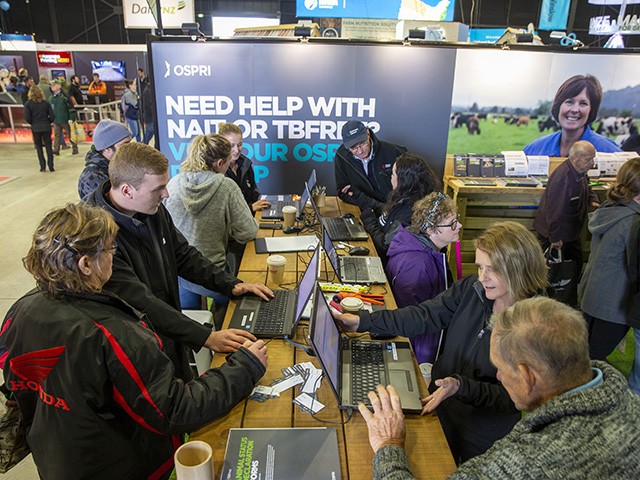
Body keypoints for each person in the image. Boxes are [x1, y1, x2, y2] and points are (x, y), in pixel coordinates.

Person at [0, 202, 268, 480]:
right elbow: (173, 410)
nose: (114, 256)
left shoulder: (19, 311)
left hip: (57, 459)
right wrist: (245, 367)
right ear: (86, 264)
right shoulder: (114, 334)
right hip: (119, 466)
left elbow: (17, 384)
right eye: (110, 249)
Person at [335, 221, 548, 463]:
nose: (483, 277)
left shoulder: (536, 323)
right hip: (438, 404)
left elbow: (515, 400)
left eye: (493, 269)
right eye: (480, 266)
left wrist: (460, 387)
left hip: (479, 432)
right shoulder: (473, 288)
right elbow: (424, 315)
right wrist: (362, 322)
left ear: (518, 269)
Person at [359, 297, 640, 479]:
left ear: (526, 376)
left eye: (498, 368)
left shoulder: (530, 459)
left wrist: (389, 445)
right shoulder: (631, 407)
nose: (498, 377)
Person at [84, 142, 273, 382]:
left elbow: (182, 254)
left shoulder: (151, 209)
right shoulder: (96, 236)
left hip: (169, 333)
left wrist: (230, 284)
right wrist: (207, 338)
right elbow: (142, 303)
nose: (166, 194)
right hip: (134, 351)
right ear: (127, 190)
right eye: (158, 189)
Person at [165, 134, 259, 310]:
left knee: (192, 321)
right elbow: (248, 232)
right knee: (231, 313)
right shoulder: (226, 186)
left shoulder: (173, 183)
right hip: (215, 275)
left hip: (180, 274)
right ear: (219, 164)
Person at [386, 192, 461, 364]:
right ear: (430, 230)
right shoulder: (417, 265)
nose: (459, 226)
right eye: (452, 224)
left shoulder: (425, 251)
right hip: (421, 350)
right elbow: (412, 320)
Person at [579, 157, 640, 360]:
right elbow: (636, 269)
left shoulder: (608, 209)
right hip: (614, 305)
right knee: (592, 362)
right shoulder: (633, 221)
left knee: (584, 357)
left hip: (592, 295)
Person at [534, 140, 599, 274]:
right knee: (558, 273)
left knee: (572, 268)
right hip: (558, 237)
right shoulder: (563, 179)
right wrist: (555, 239)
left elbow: (587, 187)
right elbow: (553, 212)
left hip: (569, 234)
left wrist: (592, 200)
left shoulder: (579, 171)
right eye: (589, 159)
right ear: (575, 159)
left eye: (593, 159)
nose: (592, 164)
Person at [360, 152, 440, 259]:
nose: (391, 178)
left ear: (404, 181)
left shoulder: (411, 211)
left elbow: (386, 246)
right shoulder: (405, 196)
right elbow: (391, 215)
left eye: (393, 174)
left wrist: (369, 221)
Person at [524, 74, 621, 156]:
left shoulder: (609, 152)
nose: (574, 110)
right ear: (558, 106)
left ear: (591, 110)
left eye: (583, 103)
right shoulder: (534, 149)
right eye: (569, 102)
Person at [335, 120, 407, 211]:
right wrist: (376, 206)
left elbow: (409, 189)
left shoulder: (395, 153)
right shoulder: (342, 156)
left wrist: (390, 211)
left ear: (368, 134)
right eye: (353, 148)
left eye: (363, 143)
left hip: (395, 212)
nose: (360, 151)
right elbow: (343, 191)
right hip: (365, 211)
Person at [219, 122, 270, 213]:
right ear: (221, 145)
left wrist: (263, 202)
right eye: (231, 146)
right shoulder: (218, 171)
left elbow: (254, 193)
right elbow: (222, 212)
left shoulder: (245, 164)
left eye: (239, 144)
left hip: (251, 219)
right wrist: (250, 208)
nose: (237, 150)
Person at [78, 119, 131, 198]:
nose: (130, 149)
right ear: (107, 149)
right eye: (124, 146)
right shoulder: (92, 178)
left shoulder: (116, 164)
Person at [24, 85, 55, 172]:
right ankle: (51, 166)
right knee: (48, 146)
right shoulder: (45, 103)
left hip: (36, 127)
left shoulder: (28, 104)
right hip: (46, 126)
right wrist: (48, 121)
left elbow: (27, 117)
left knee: (39, 147)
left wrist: (33, 123)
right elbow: (52, 116)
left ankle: (42, 166)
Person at [49, 79, 78, 155]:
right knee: (57, 135)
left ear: (59, 86)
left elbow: (71, 108)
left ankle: (75, 147)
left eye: (54, 85)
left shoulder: (65, 97)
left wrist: (71, 118)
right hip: (56, 120)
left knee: (71, 134)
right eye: (52, 85)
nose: (52, 87)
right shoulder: (52, 98)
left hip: (65, 119)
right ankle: (56, 149)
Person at [141, 80, 155, 146]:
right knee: (157, 135)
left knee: (147, 136)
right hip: (150, 118)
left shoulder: (149, 90)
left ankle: (141, 148)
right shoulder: (147, 91)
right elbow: (147, 106)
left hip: (150, 118)